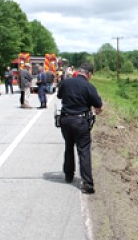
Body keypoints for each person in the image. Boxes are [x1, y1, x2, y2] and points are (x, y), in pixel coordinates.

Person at [57, 62, 103, 194]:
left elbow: (60, 96)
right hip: (80, 121)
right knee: (84, 151)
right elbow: (98, 106)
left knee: (68, 146)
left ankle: (68, 175)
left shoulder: (66, 83)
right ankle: (87, 184)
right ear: (89, 74)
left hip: (65, 119)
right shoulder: (89, 87)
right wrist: (95, 112)